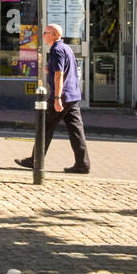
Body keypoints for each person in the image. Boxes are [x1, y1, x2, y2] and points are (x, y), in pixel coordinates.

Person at [16, 24, 90, 174]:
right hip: (72, 95)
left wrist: (57, 98)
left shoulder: (56, 49)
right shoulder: (66, 48)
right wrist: (50, 69)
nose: (43, 35)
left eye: (45, 33)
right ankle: (83, 163)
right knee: (76, 130)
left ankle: (35, 160)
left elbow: (60, 74)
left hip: (62, 95)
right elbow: (66, 69)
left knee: (45, 127)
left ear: (53, 35)